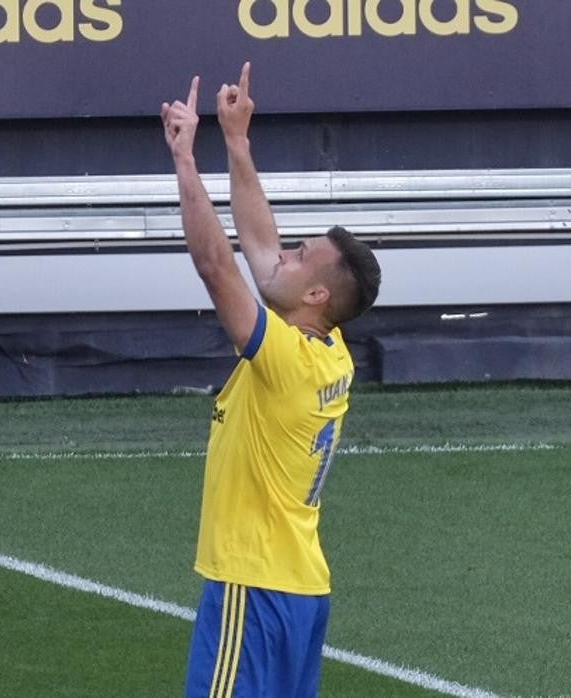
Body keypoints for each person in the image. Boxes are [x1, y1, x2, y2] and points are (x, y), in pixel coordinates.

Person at [160, 63, 382, 698]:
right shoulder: (330, 347)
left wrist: (185, 160)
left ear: (315, 292)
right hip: (303, 591)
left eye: (299, 253)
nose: (282, 252)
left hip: (252, 587)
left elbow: (216, 264)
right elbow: (257, 247)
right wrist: (236, 142)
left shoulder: (283, 359)